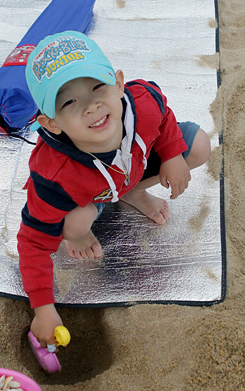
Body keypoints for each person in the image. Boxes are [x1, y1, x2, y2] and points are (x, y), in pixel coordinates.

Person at [19, 30, 212, 347]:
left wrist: (172, 154)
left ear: (119, 84)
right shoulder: (54, 173)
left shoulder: (141, 103)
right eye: (69, 101)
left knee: (199, 145)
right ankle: (82, 230)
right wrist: (43, 308)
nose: (91, 106)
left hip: (131, 169)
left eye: (97, 86)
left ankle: (132, 192)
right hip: (89, 195)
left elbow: (162, 112)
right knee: (72, 224)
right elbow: (33, 242)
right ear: (52, 123)